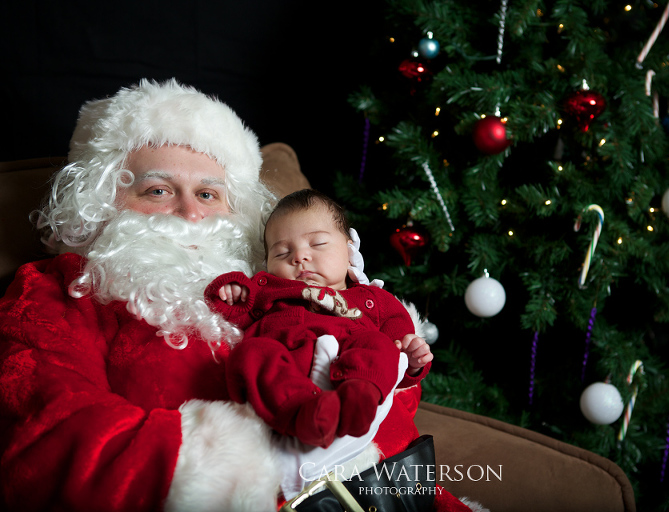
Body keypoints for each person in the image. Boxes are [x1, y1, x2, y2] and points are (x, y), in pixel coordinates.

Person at [0, 79, 477, 512]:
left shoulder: (279, 272)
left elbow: (392, 411)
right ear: (101, 201)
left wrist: (389, 374)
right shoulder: (56, 290)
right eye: (159, 190)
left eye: (208, 194)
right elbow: (44, 434)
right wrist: (236, 458)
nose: (190, 214)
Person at [207, 189, 433, 496]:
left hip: (354, 353)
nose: (300, 257)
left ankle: (359, 398)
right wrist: (232, 293)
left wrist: (412, 357)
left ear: (349, 249)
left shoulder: (372, 300)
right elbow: (237, 311)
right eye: (282, 253)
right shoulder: (270, 290)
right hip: (289, 361)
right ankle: (304, 413)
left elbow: (399, 353)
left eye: (318, 243)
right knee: (252, 352)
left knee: (378, 345)